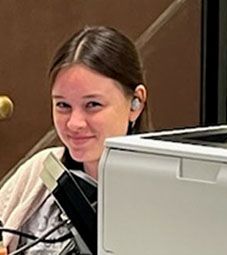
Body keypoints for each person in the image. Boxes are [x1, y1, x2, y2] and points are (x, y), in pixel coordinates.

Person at [0, 25, 153, 254]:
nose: (74, 123)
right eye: (63, 105)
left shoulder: (161, 196)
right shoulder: (41, 171)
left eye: (93, 105)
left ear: (136, 103)